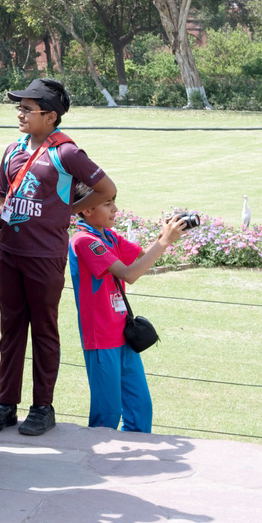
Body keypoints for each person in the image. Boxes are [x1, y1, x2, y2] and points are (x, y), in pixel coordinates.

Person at [0, 78, 116, 437]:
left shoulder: (67, 153)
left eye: (28, 109)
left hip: (44, 256)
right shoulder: (12, 150)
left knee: (43, 330)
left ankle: (42, 406)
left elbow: (107, 189)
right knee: (10, 331)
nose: (20, 114)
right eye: (19, 107)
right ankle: (5, 404)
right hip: (10, 253)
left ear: (51, 116)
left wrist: (68, 210)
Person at [69, 185, 186, 432]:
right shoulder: (84, 241)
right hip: (101, 338)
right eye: (107, 203)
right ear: (87, 209)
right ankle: (99, 466)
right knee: (107, 415)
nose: (115, 209)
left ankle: (133, 458)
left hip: (123, 334)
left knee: (140, 409)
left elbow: (143, 257)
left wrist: (166, 233)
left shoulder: (108, 237)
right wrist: (164, 242)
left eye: (114, 201)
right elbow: (129, 274)